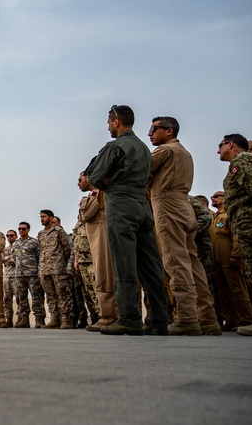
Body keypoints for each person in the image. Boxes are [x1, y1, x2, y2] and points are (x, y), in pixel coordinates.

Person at [85, 105, 170, 336]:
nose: (108, 127)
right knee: (151, 266)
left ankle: (130, 318)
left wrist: (104, 181)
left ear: (115, 122)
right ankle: (160, 319)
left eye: (108, 122)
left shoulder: (115, 147)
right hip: (143, 206)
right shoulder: (144, 148)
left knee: (125, 263)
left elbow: (94, 177)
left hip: (121, 207)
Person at [145, 116, 221, 335]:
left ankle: (187, 318)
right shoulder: (184, 153)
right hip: (183, 206)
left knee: (175, 262)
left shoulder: (164, 151)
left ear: (169, 131)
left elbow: (139, 171)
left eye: (154, 129)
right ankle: (207, 319)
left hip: (167, 205)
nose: (150, 133)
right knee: (193, 264)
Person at [218, 134, 252, 336]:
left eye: (221, 145)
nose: (218, 150)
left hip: (251, 223)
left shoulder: (241, 160)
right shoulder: (245, 161)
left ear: (231, 144)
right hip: (249, 222)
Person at [78, 172, 118, 331]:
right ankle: (105, 316)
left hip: (102, 237)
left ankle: (109, 318)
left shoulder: (100, 192)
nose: (78, 183)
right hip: (95, 240)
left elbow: (86, 215)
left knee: (105, 276)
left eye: (80, 179)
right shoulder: (95, 194)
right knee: (101, 277)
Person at [209, 190, 252, 330]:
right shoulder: (213, 218)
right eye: (212, 196)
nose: (213, 198)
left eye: (216, 196)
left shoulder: (229, 215)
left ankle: (247, 318)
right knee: (223, 292)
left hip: (229, 257)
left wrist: (235, 254)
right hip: (216, 260)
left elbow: (236, 236)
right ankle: (231, 319)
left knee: (237, 288)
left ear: (225, 197)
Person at [37, 210, 73, 329]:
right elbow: (41, 252)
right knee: (50, 295)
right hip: (44, 269)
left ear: (51, 218)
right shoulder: (41, 234)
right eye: (41, 217)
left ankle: (66, 320)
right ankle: (54, 319)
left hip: (58, 267)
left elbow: (67, 249)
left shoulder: (59, 231)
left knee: (62, 294)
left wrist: (62, 263)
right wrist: (40, 270)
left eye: (44, 216)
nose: (42, 219)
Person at [14, 221, 46, 328]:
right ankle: (24, 319)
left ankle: (39, 319)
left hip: (32, 274)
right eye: (19, 229)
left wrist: (39, 271)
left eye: (24, 229)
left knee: (36, 297)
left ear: (28, 230)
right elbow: (15, 258)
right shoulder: (16, 243)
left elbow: (40, 257)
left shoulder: (34, 242)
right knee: (21, 297)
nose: (21, 231)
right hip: (19, 274)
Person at [70, 215, 99, 328]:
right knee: (88, 291)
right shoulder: (78, 226)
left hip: (92, 260)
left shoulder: (93, 222)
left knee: (97, 288)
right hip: (81, 261)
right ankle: (95, 316)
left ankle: (102, 316)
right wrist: (76, 260)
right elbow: (76, 245)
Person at [1, 229, 19, 329]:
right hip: (6, 276)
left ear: (16, 236)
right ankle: (9, 319)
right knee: (7, 299)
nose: (9, 237)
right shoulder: (5, 249)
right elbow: (1, 259)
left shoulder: (19, 248)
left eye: (11, 235)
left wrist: (8, 259)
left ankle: (20, 318)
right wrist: (10, 258)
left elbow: (17, 259)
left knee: (19, 299)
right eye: (7, 236)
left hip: (16, 276)